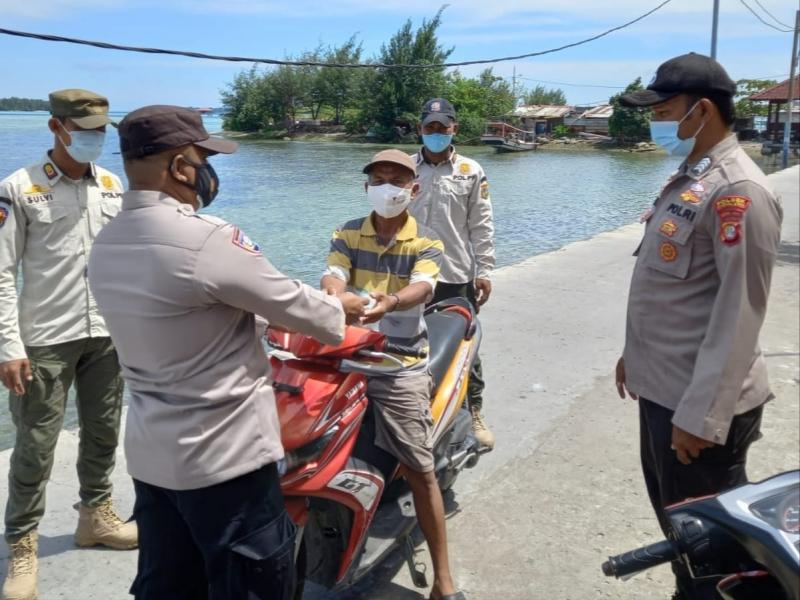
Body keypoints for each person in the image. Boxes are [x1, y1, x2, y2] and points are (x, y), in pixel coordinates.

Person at [86, 105, 367, 600]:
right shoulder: (206, 239)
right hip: (226, 463)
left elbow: (183, 312)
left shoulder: (106, 242)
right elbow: (305, 309)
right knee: (251, 586)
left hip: (153, 459)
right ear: (178, 167)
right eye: (203, 159)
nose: (208, 171)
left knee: (169, 586)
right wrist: (342, 304)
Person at [614, 53, 783, 600]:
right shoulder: (693, 178)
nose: (655, 123)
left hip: (697, 408)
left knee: (717, 552)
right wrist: (632, 355)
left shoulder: (739, 192)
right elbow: (674, 289)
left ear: (702, 110)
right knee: (683, 536)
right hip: (664, 389)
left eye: (664, 110)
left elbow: (739, 314)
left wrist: (701, 417)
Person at [0, 89, 137, 600]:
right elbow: (1, 273)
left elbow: (123, 260)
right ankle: (22, 545)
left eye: (102, 130)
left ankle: (95, 517)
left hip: (105, 333)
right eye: (86, 129)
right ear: (56, 127)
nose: (95, 138)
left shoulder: (110, 183)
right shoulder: (19, 187)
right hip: (44, 339)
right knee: (35, 447)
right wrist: (8, 346)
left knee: (103, 433)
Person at [321, 149, 465, 600]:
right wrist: (333, 296)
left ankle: (443, 580)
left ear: (413, 190)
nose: (388, 187)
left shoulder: (427, 243)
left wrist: (391, 302)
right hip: (346, 352)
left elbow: (424, 284)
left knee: (421, 469)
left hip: (398, 361)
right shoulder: (347, 232)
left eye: (397, 181)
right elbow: (333, 275)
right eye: (379, 179)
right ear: (367, 187)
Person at [408, 98, 496, 449]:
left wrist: (485, 269)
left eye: (442, 127)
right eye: (430, 127)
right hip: (410, 273)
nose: (436, 133)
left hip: (455, 274)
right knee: (407, 342)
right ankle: (418, 408)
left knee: (465, 346)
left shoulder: (470, 171)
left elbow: (482, 224)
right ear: (420, 129)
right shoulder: (403, 168)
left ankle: (473, 412)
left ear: (454, 129)